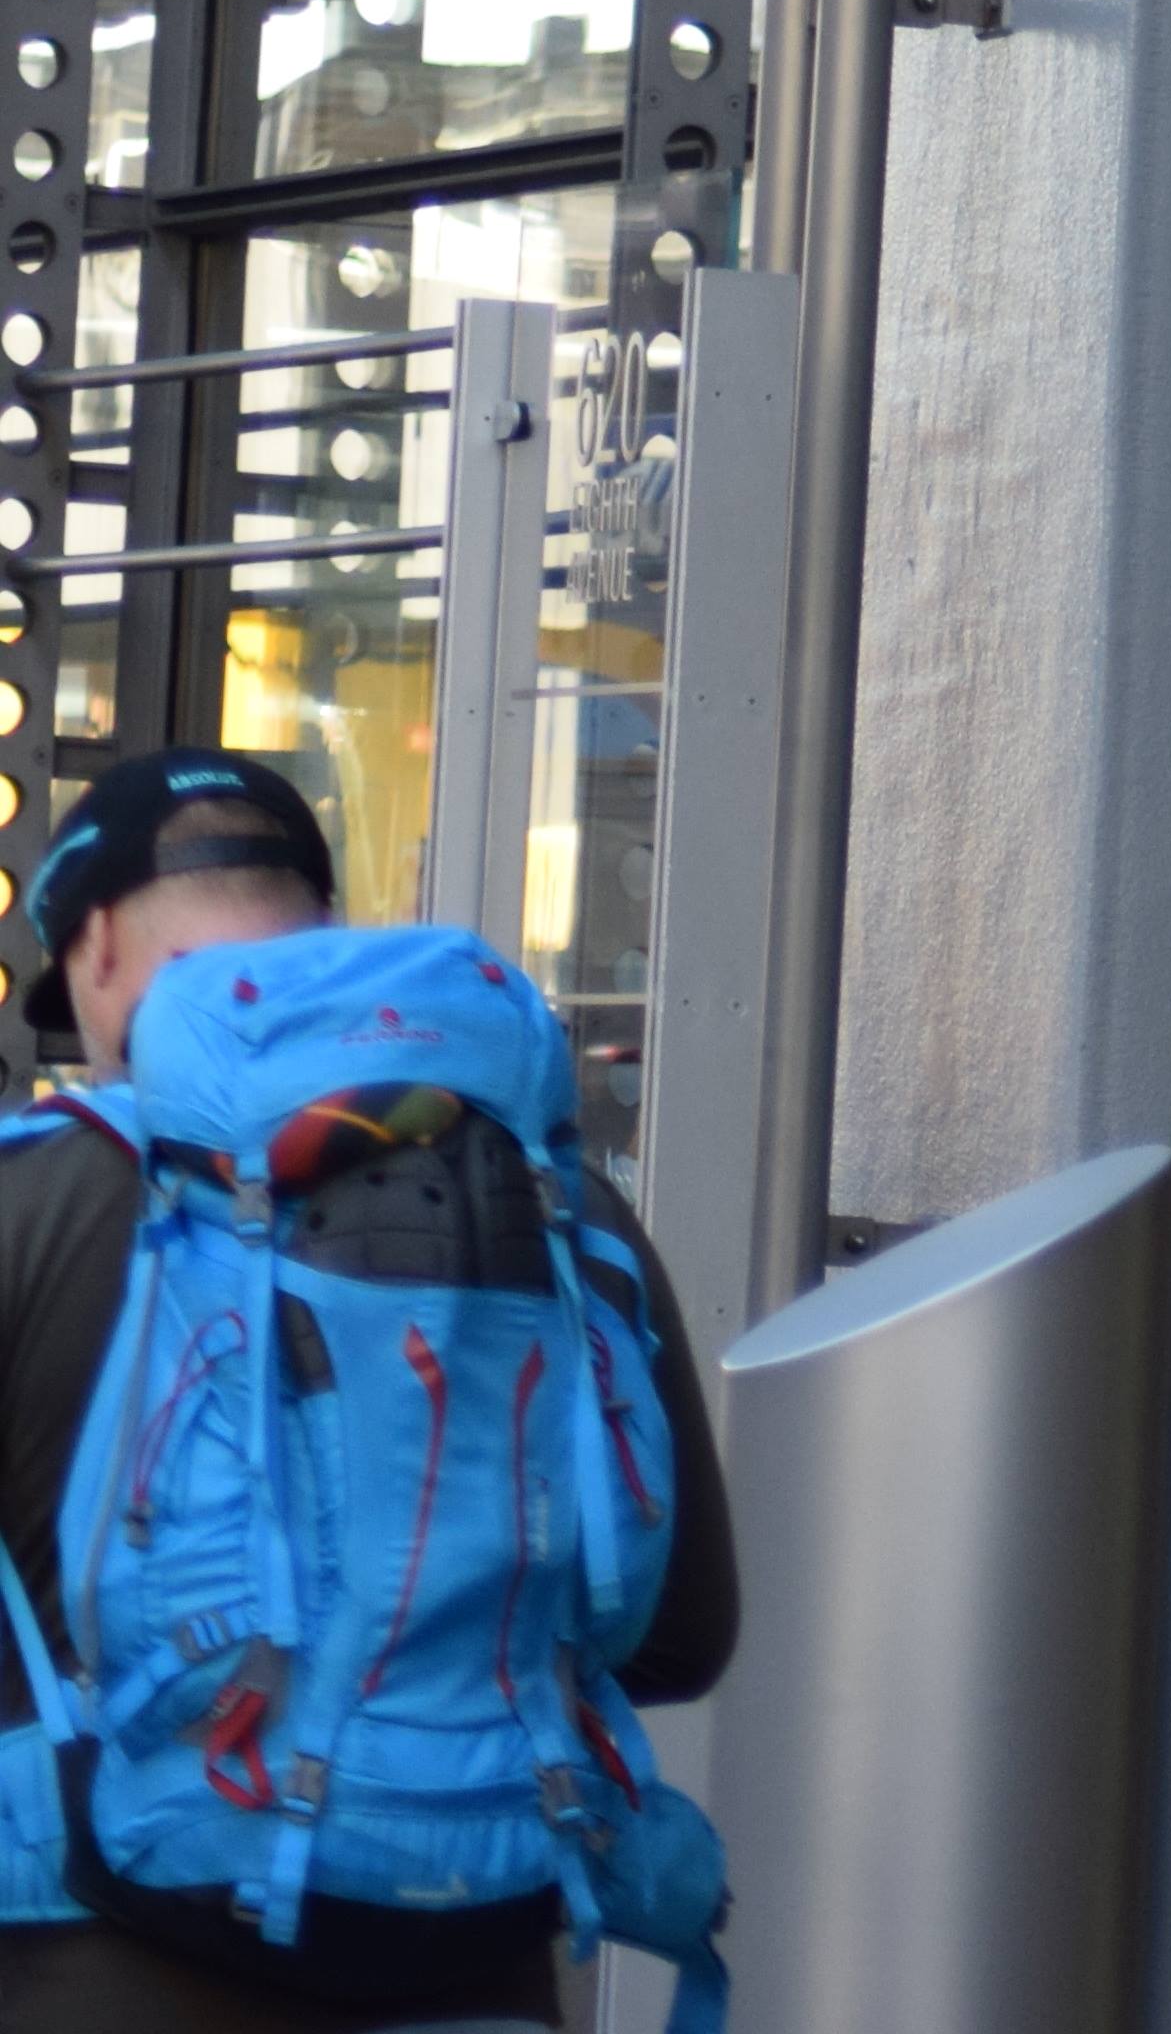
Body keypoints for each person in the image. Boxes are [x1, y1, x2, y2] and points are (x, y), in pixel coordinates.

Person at [0, 749, 742, 2033]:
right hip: (481, 1954)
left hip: (98, 1961)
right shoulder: (561, 1209)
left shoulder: (27, 1197)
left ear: (99, 942)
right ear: (324, 930)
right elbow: (682, 1631)